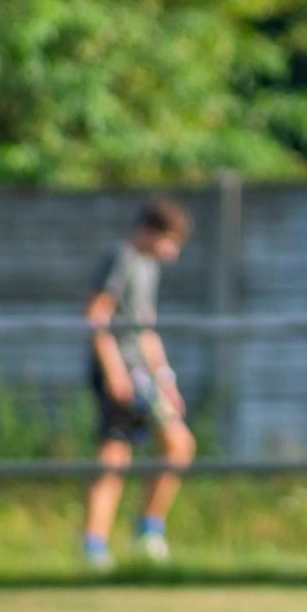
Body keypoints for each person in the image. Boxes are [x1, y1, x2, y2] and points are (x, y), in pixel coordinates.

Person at [82, 196, 198, 569]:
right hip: (122, 374)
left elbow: (146, 331)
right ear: (150, 232)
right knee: (115, 457)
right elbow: (96, 315)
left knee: (176, 444)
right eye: (171, 241)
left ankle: (146, 528)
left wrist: (166, 379)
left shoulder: (148, 267)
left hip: (143, 375)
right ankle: (96, 546)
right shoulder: (122, 258)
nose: (173, 252)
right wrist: (115, 371)